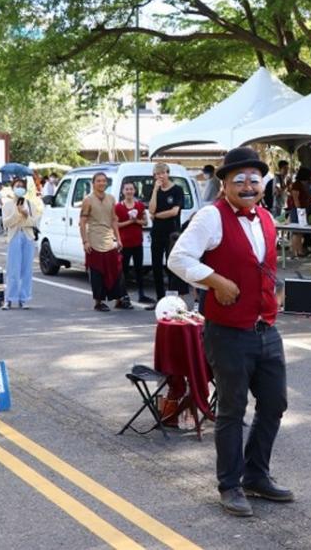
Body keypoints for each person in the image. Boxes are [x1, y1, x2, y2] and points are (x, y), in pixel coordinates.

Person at [168, 147, 291, 517]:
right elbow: (178, 258)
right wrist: (215, 280)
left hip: (265, 327)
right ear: (224, 185)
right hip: (228, 331)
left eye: (255, 179)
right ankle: (230, 484)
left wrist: (276, 292)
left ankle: (256, 474)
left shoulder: (267, 218)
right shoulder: (211, 217)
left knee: (274, 403)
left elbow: (263, 264)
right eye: (239, 180)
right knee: (233, 410)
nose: (248, 186)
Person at [80, 172, 130, 311]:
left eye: (103, 181)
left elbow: (114, 219)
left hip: (109, 239)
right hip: (94, 239)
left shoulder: (111, 198)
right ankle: (98, 301)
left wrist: (118, 238)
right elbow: (82, 223)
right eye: (98, 181)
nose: (101, 183)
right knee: (97, 272)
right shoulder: (88, 200)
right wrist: (85, 242)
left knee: (117, 270)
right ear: (93, 183)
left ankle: (119, 299)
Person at [148, 163, 186, 305]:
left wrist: (156, 216)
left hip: (172, 233)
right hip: (157, 232)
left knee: (171, 265)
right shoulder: (155, 190)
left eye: (162, 173)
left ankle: (173, 300)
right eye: (157, 174)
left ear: (168, 173)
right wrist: (155, 191)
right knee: (156, 266)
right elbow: (151, 209)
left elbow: (174, 211)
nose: (160, 177)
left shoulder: (177, 190)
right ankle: (159, 299)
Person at [1, 177, 42, 310]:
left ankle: (23, 298)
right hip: (14, 236)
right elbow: (6, 223)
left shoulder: (30, 204)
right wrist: (18, 214)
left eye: (22, 186)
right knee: (13, 269)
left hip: (27, 237)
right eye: (17, 185)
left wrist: (25, 215)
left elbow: (34, 222)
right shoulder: (7, 205)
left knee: (26, 269)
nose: (19, 188)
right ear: (12, 188)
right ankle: (9, 298)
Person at [115, 181, 154, 304]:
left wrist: (136, 220)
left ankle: (141, 294)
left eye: (131, 189)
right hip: (124, 243)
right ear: (123, 191)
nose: (129, 191)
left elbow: (145, 222)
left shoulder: (139, 205)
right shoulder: (118, 207)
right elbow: (116, 224)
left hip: (137, 242)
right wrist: (130, 222)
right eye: (127, 189)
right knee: (124, 270)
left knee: (139, 269)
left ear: (134, 190)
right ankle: (123, 295)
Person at [288, 167, 311, 258]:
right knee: (296, 231)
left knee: (300, 231)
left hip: (302, 209)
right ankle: (294, 252)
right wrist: (300, 211)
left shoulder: (303, 185)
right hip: (297, 210)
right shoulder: (296, 185)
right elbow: (295, 198)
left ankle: (299, 250)